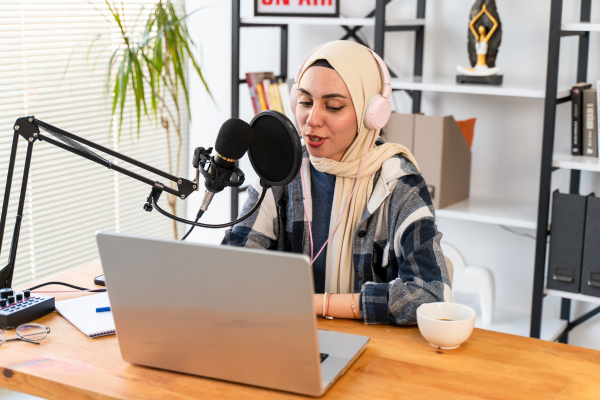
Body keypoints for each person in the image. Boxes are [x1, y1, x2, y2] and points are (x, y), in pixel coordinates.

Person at [222, 40, 451, 325]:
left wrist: (317, 303)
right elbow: (235, 264)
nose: (312, 119)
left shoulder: (399, 185)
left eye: (333, 106)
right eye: (305, 102)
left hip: (374, 347)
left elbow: (430, 293)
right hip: (287, 332)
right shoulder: (280, 172)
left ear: (372, 114)